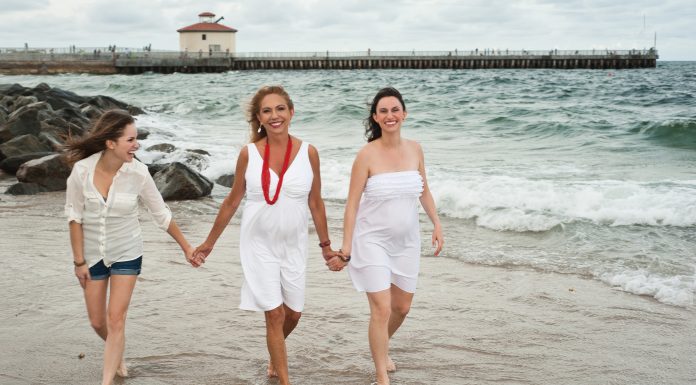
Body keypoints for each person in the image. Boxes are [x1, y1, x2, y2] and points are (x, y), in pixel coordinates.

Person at [193, 85, 338, 385]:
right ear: (259, 118)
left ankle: (276, 352)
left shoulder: (309, 152)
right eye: (267, 111)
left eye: (280, 109)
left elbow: (316, 202)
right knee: (274, 315)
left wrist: (326, 247)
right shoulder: (249, 154)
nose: (275, 116)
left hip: (294, 244)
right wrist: (209, 244)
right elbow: (232, 201)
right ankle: (284, 379)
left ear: (291, 112)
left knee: (293, 314)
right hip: (258, 244)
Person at [64, 109, 198, 385]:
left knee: (116, 320)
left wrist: (186, 247)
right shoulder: (82, 171)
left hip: (127, 251)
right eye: (130, 139)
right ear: (110, 143)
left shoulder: (138, 172)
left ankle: (107, 379)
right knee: (98, 323)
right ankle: (117, 353)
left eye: (136, 139)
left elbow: (161, 214)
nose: (136, 145)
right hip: (91, 256)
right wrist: (79, 262)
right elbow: (74, 218)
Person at [332, 87, 443, 385]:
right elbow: (352, 203)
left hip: (407, 242)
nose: (390, 115)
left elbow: (424, 190)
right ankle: (382, 376)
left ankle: (380, 344)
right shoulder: (367, 155)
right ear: (375, 118)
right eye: (383, 111)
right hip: (371, 241)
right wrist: (345, 246)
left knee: (401, 308)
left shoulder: (416, 149)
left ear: (404, 114)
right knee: (381, 308)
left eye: (395, 110)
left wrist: (436, 223)